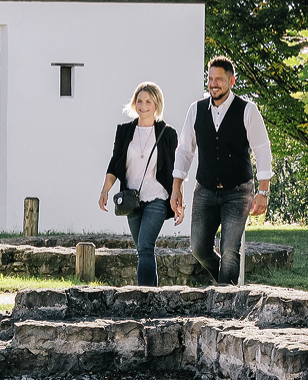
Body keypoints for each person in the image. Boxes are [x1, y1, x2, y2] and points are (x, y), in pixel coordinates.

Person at [170, 56, 273, 285]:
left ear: (232, 81)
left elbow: (262, 150)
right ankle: (227, 286)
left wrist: (263, 191)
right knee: (198, 247)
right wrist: (177, 186)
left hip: (238, 191)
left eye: (219, 79)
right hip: (205, 189)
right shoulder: (195, 110)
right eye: (210, 79)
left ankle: (225, 303)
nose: (213, 84)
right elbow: (185, 150)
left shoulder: (248, 110)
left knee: (229, 251)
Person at [98, 82, 182, 286]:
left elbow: (175, 170)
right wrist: (105, 190)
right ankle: (151, 293)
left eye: (148, 101)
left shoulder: (167, 133)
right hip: (132, 200)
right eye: (139, 101)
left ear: (156, 105)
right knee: (142, 251)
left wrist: (178, 200)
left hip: (158, 198)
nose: (143, 106)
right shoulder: (124, 131)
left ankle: (146, 296)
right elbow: (115, 162)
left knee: (145, 246)